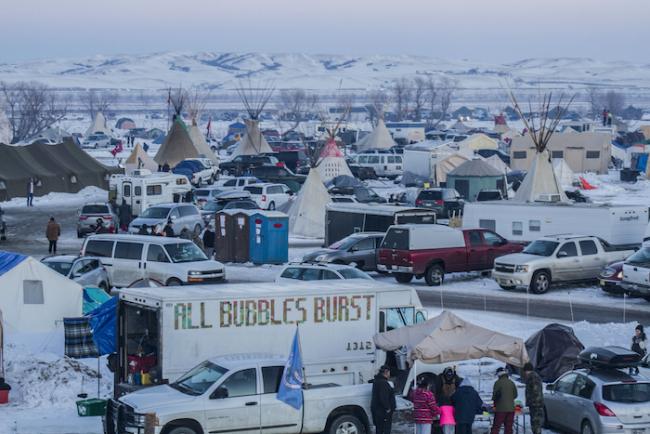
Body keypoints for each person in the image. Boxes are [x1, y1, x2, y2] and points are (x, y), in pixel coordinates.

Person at [490, 367, 518, 434]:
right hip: (511, 409)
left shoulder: (497, 383)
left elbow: (495, 396)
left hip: (500, 409)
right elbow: (515, 395)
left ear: (499, 374)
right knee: (508, 428)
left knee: (496, 427)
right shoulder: (512, 383)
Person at [371, 365, 396, 434]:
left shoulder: (376, 381)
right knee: (385, 429)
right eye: (389, 372)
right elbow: (383, 397)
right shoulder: (383, 383)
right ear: (386, 372)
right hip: (383, 411)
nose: (389, 374)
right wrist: (388, 408)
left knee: (379, 429)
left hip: (377, 410)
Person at [522, 363, 544, 434]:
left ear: (527, 370)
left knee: (536, 423)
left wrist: (532, 401)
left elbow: (535, 391)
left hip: (536, 404)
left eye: (525, 371)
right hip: (536, 403)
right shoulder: (533, 376)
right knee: (535, 423)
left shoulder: (532, 377)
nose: (525, 373)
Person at [439, 368, 456, 434]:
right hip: (452, 422)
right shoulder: (452, 408)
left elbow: (438, 412)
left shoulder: (442, 407)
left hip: (444, 422)